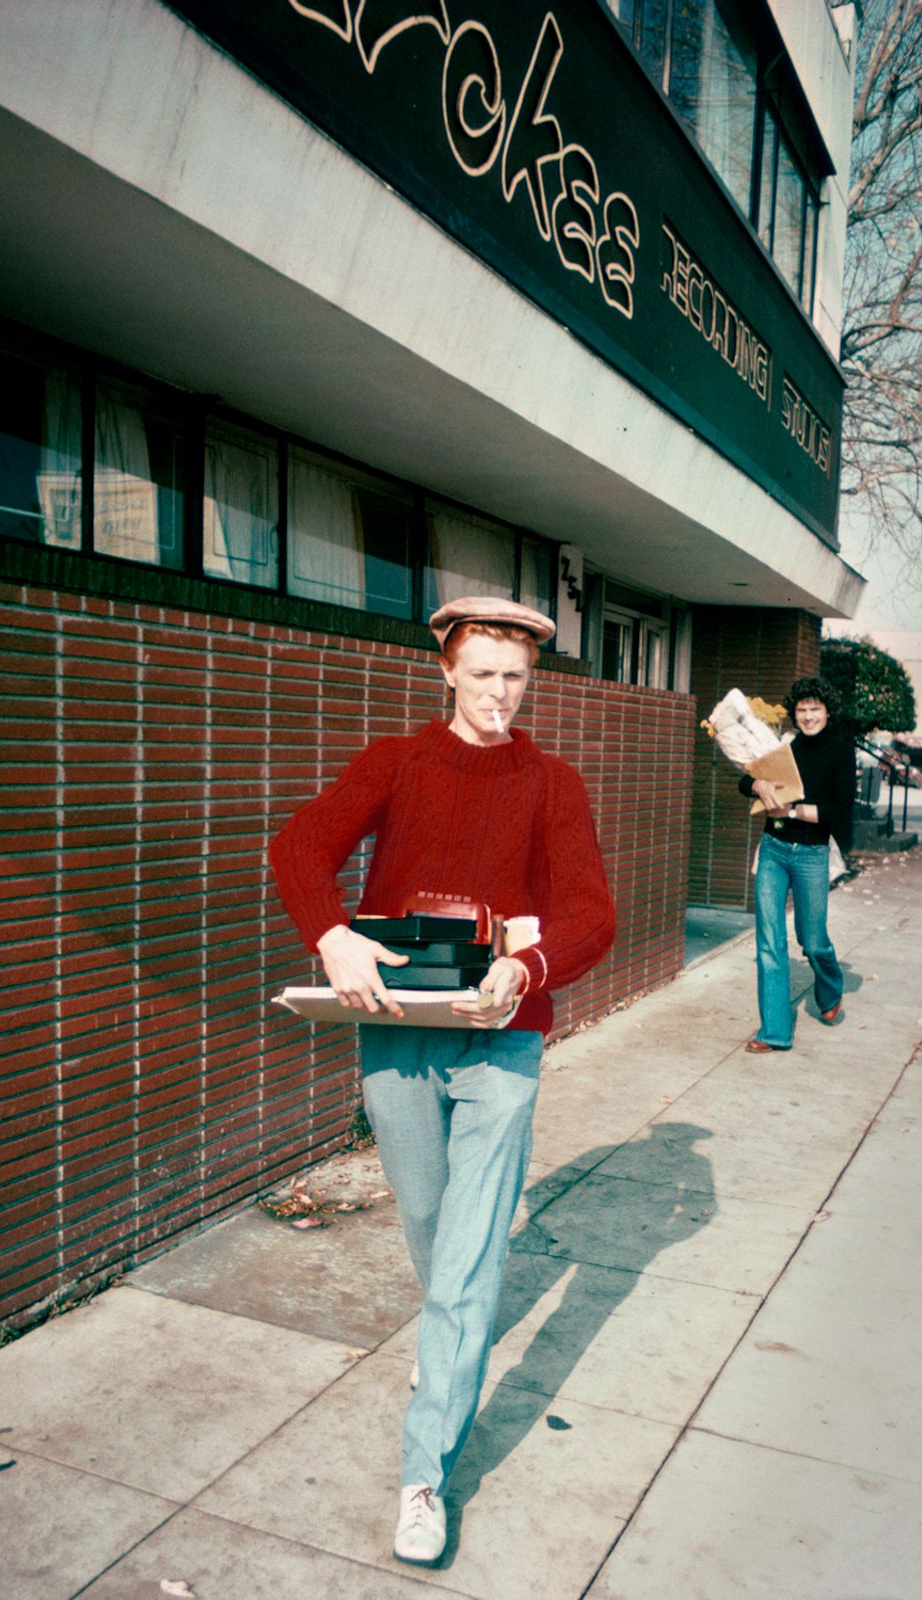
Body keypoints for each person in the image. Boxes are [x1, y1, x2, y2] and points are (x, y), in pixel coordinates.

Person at [268, 596, 615, 1566]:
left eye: (517, 677)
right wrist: (331, 934)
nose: (501, 693)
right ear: (448, 672)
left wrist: (527, 969)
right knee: (432, 1232)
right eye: (485, 673)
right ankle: (456, 1338)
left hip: (503, 1042)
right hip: (398, 1039)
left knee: (463, 1263)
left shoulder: (553, 784)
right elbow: (299, 848)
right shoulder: (397, 763)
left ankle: (424, 1474)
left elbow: (592, 914)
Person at [738, 676, 855, 1054]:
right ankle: (775, 1031)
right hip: (773, 849)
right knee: (770, 943)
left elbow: (841, 810)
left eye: (814, 710)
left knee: (812, 939)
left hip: (811, 855)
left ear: (827, 712)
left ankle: (830, 988)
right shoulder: (783, 747)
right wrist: (758, 787)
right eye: (802, 710)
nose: (808, 717)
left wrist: (793, 810)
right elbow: (746, 780)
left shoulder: (840, 752)